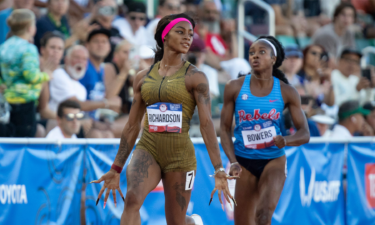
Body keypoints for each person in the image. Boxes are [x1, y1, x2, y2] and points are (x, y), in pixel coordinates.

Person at [91, 13, 233, 225]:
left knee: (175, 222)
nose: (188, 38)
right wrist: (116, 168)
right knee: (132, 201)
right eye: (181, 32)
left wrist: (219, 168)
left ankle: (192, 222)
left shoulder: (196, 77)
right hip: (148, 148)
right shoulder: (142, 77)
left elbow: (206, 125)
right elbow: (131, 126)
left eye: (191, 34)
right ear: (165, 37)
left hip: (180, 156)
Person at [220, 36, 310, 225]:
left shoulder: (287, 91)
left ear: (273, 59)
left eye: (262, 52)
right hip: (244, 161)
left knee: (263, 215)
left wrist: (286, 140)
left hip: (273, 160)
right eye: (252, 52)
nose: (255, 56)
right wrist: (233, 161)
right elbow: (224, 129)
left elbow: (305, 133)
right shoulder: (234, 87)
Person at [0, 9, 54, 137]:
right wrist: (47, 75)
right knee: (24, 140)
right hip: (25, 104)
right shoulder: (29, 48)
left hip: (7, 103)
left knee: (10, 138)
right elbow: (31, 76)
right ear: (30, 28)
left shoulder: (3, 47)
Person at [198, 1, 251, 80]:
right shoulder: (199, 32)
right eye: (208, 12)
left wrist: (232, 32)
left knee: (239, 62)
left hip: (225, 65)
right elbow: (205, 54)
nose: (211, 15)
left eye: (214, 12)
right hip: (214, 66)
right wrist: (222, 64)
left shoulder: (220, 34)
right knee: (239, 63)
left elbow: (235, 55)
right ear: (201, 12)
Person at [104, 40, 135, 114]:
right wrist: (124, 72)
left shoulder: (129, 71)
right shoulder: (109, 67)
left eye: (131, 52)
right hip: (112, 114)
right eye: (125, 52)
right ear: (116, 55)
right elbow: (109, 96)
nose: (128, 56)